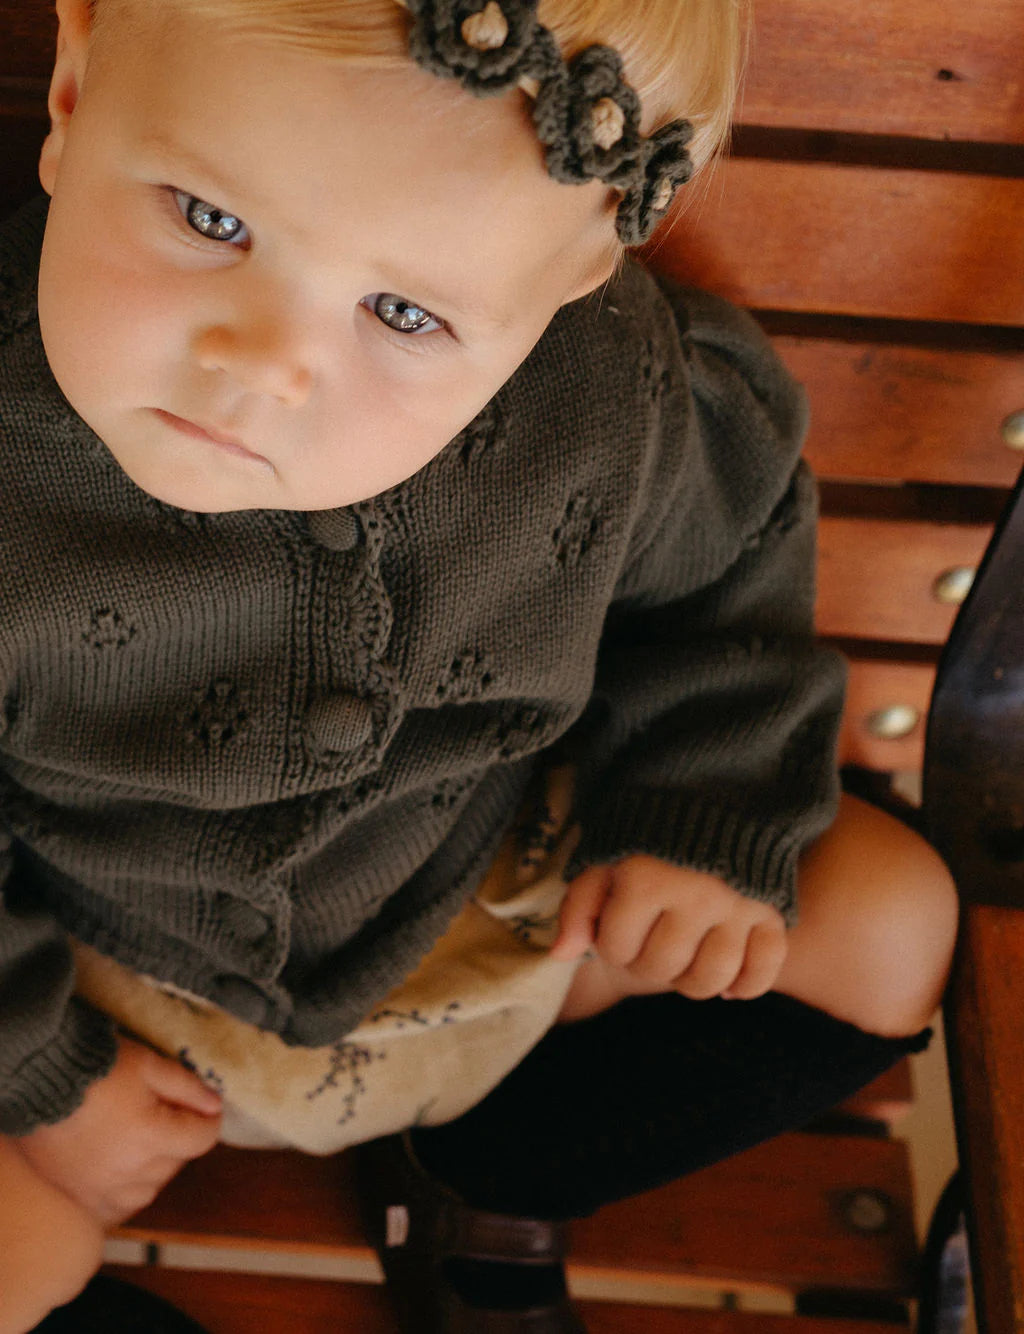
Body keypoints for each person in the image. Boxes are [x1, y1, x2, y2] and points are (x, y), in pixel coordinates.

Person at [0, 0, 959, 1329]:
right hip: (105, 987)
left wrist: (696, 807)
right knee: (13, 1264)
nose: (266, 365)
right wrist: (46, 1073)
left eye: (403, 310)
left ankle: (491, 1180)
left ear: (568, 283)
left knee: (887, 914)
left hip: (490, 919)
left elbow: (723, 570)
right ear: (73, 90)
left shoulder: (608, 400)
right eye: (209, 219)